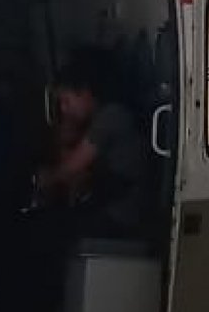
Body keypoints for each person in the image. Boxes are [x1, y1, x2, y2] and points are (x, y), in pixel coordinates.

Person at [33, 51, 150, 240]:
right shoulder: (100, 118)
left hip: (121, 217)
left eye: (67, 101)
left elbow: (70, 168)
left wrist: (43, 179)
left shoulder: (111, 117)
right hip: (110, 208)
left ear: (85, 94)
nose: (64, 109)